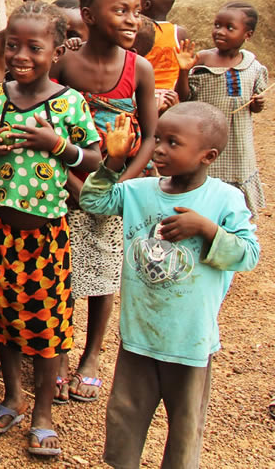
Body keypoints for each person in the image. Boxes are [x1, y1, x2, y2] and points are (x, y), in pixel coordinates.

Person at [81, 103, 259, 469]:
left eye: (172, 142)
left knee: (184, 430)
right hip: (139, 336)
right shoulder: (140, 191)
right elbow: (93, 201)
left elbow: (248, 254)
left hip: (189, 341)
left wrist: (207, 229)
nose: (159, 149)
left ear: (207, 156)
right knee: (125, 422)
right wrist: (113, 162)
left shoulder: (224, 199)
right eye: (157, 139)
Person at [0, 2, 101, 459]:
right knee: (5, 320)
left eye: (35, 46)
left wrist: (59, 145)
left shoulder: (69, 102)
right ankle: (13, 395)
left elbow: (95, 160)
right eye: (13, 46)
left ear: (56, 51)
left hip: (46, 236)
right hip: (1, 233)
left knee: (48, 328)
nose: (21, 55)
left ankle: (43, 413)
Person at [53, 0, 157, 405]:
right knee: (60, 270)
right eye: (120, 11)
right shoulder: (64, 64)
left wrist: (121, 185)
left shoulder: (140, 69)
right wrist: (74, 183)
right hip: (62, 182)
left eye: (136, 10)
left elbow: (149, 135)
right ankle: (59, 351)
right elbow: (48, 121)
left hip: (116, 189)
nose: (132, 20)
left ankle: (91, 355)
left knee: (103, 270)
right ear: (89, 17)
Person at [180, 1, 268, 216]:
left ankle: (234, 231)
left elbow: (256, 105)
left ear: (247, 35)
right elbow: (184, 98)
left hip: (238, 144)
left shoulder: (253, 66)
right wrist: (183, 71)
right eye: (217, 25)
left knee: (235, 196)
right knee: (204, 181)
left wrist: (257, 103)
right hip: (204, 138)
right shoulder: (200, 61)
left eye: (229, 27)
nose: (220, 31)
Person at [138, 0, 188, 99]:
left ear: (146, 5)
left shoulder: (139, 29)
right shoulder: (179, 32)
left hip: (143, 93)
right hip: (171, 94)